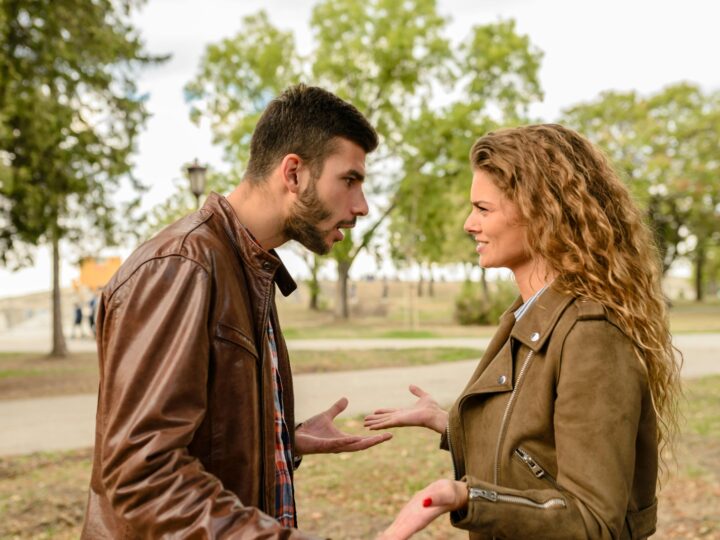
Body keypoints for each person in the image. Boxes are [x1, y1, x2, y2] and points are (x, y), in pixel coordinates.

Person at [81, 84, 392, 539]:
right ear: (294, 173)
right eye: (350, 180)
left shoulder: (248, 266)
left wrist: (283, 441)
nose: (361, 206)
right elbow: (141, 474)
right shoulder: (183, 266)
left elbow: (203, 439)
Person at [366, 124, 681, 539]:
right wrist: (448, 424)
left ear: (541, 212)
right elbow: (535, 451)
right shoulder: (528, 316)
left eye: (483, 209)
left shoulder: (591, 334)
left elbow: (592, 521)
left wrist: (466, 498)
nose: (468, 224)